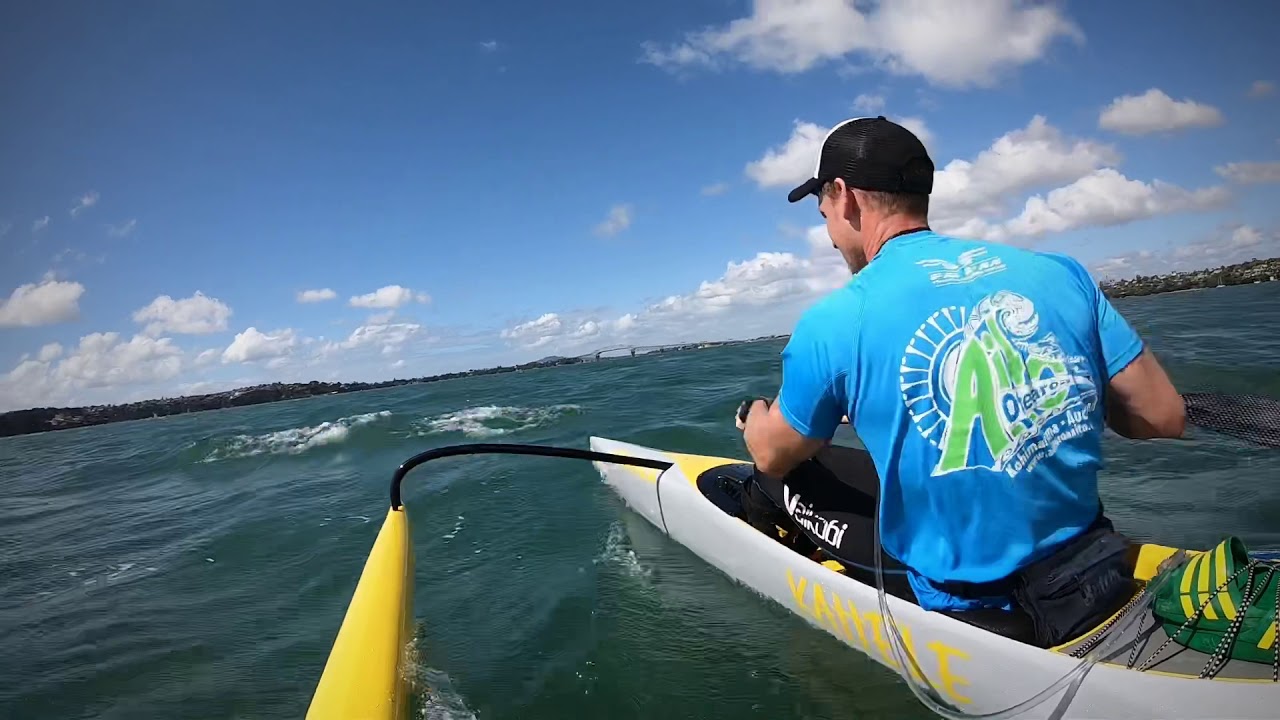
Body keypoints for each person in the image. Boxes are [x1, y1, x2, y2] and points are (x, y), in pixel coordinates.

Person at [734, 115, 1187, 647]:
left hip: (983, 608)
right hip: (1092, 567)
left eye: (825, 211)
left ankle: (757, 533)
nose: (832, 234)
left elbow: (772, 454)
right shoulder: (1058, 271)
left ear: (844, 196)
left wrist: (755, 417)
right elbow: (1163, 416)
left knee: (781, 473)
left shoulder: (834, 321)